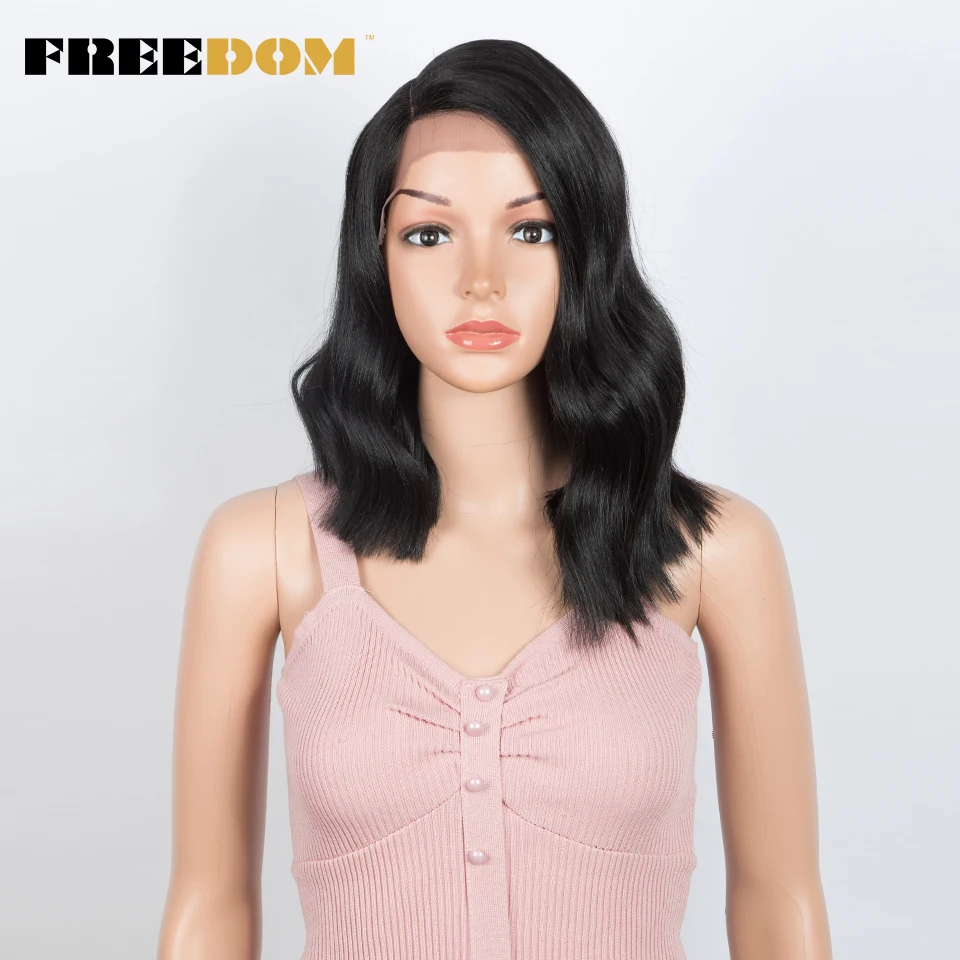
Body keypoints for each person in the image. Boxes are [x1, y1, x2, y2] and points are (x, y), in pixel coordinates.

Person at [157, 38, 832, 960]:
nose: (482, 278)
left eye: (532, 229)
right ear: (376, 255)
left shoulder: (712, 549)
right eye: (429, 233)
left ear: (586, 251)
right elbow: (209, 906)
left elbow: (779, 903)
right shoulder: (265, 549)